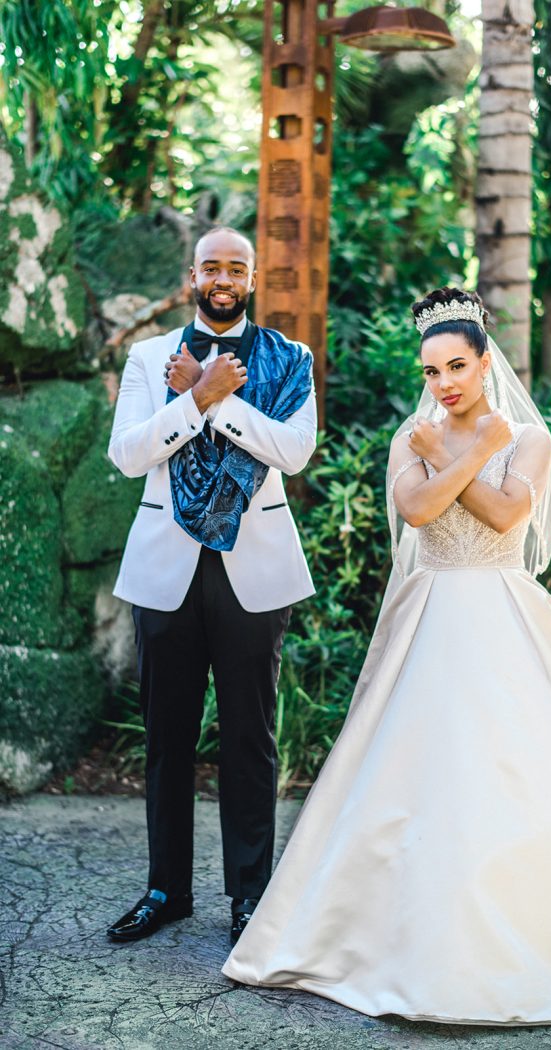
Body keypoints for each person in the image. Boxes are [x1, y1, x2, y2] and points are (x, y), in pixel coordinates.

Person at [221, 287, 551, 1025]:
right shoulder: (410, 438)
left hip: (505, 610)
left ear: (484, 364)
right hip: (432, 614)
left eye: (456, 366)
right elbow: (417, 511)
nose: (443, 383)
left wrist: (466, 450)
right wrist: (469, 451)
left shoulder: (526, 439)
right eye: (431, 371)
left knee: (524, 772)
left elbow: (510, 513)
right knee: (413, 772)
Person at [106, 226, 317, 946]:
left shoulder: (291, 361)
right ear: (192, 275)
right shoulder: (148, 358)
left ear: (252, 279)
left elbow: (292, 449)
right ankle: (166, 890)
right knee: (167, 737)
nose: (223, 278)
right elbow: (129, 455)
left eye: (236, 267)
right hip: (167, 567)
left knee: (249, 739)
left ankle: (249, 898)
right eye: (211, 266)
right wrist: (195, 400)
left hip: (252, 571)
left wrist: (214, 399)